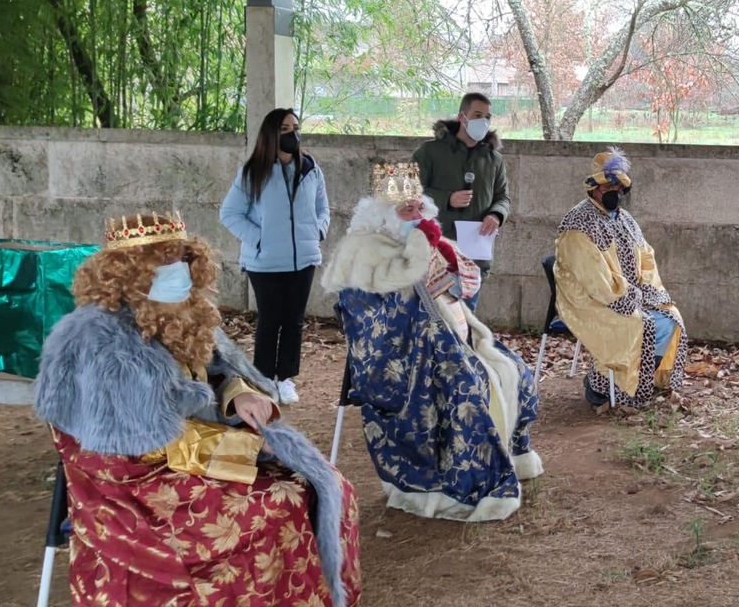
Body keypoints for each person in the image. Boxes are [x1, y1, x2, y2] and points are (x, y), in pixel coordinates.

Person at [34, 211, 361, 606]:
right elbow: (144, 441)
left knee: (324, 483)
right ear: (128, 273)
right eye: (164, 262)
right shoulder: (103, 340)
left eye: (183, 260)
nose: (179, 271)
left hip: (192, 452)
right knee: (277, 504)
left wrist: (237, 393)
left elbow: (214, 373)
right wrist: (250, 450)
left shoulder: (183, 312)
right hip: (134, 482)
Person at [323, 163, 542, 522]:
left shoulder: (421, 239)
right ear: (382, 217)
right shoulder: (361, 252)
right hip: (402, 359)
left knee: (510, 367)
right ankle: (455, 485)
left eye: (418, 207)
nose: (416, 214)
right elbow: (376, 325)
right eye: (405, 209)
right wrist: (421, 258)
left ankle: (508, 456)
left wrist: (447, 257)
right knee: (466, 388)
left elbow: (462, 289)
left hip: (447, 342)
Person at [554, 148, 688, 410]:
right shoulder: (578, 224)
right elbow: (594, 279)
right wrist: (626, 297)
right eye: (608, 187)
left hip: (629, 293)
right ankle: (600, 387)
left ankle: (641, 381)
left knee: (671, 319)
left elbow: (646, 256)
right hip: (589, 299)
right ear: (594, 189)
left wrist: (648, 289)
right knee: (637, 324)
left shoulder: (624, 218)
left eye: (619, 187)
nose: (615, 193)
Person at [219, 107, 330, 403]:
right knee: (270, 321)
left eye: (295, 127)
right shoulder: (253, 172)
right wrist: (259, 238)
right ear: (271, 134)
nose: (292, 133)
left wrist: (317, 231)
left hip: (304, 258)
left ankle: (287, 379)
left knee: (294, 321)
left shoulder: (311, 169)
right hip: (265, 262)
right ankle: (265, 378)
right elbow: (230, 214)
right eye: (284, 128)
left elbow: (323, 209)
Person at [412, 92, 511, 311]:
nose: (483, 121)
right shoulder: (430, 152)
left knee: (466, 321)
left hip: (475, 254)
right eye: (477, 115)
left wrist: (496, 214)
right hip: (436, 252)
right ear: (462, 117)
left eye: (487, 117)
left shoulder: (493, 159)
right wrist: (446, 198)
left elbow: (503, 197)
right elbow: (410, 193)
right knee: (433, 321)